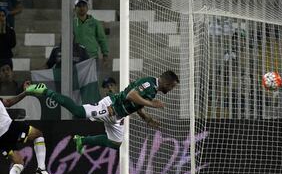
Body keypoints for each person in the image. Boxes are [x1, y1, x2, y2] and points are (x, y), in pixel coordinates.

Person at [26, 70, 179, 153]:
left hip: (118, 115)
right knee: (78, 112)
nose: (171, 90)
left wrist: (146, 118)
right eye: (172, 86)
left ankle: (82, 140)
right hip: (110, 107)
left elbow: (135, 103)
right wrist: (152, 104)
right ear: (166, 82)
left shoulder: (153, 89)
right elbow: (130, 95)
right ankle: (45, 90)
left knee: (115, 143)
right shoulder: (148, 84)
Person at [0, 83, 55, 174]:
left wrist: (26, 92)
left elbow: (8, 103)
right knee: (38, 134)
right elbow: (9, 103)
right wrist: (26, 92)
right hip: (10, 128)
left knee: (18, 162)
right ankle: (41, 168)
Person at [73, 0, 109, 66]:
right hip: (77, 58)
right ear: (75, 9)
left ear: (87, 8)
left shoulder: (95, 23)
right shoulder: (72, 23)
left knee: (93, 77)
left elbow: (102, 39)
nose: (81, 8)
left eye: (84, 6)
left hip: (92, 58)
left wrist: (105, 56)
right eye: (79, 6)